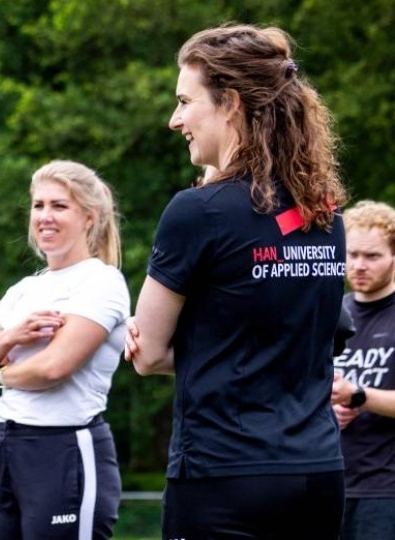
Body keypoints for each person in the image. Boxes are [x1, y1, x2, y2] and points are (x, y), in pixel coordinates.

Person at [130, 23, 350, 539]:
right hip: (318, 473)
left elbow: (149, 352)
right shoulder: (322, 212)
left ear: (229, 103)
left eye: (185, 102)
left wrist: (211, 349)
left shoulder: (195, 213)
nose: (173, 119)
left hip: (223, 474)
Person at [0, 161, 126, 540]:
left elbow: (52, 368)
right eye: (38, 205)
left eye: (59, 206)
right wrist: (10, 337)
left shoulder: (102, 282)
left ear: (88, 217)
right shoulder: (23, 291)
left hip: (64, 449)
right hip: (6, 447)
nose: (45, 216)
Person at [329, 200, 395, 539]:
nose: (358, 265)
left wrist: (358, 396)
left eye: (372, 256)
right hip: (327, 482)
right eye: (351, 254)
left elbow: (356, 393)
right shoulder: (332, 312)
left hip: (385, 491)